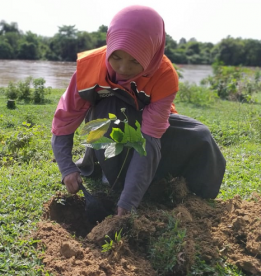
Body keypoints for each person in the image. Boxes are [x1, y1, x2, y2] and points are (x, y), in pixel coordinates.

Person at [51, 5, 226, 217]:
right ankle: (112, 172)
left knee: (200, 135)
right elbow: (65, 119)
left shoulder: (165, 75)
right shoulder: (88, 67)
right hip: (109, 125)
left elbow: (151, 138)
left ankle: (162, 182)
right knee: (115, 110)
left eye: (135, 61)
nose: (123, 69)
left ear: (152, 54)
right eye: (116, 57)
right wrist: (67, 168)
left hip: (149, 130)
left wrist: (128, 201)